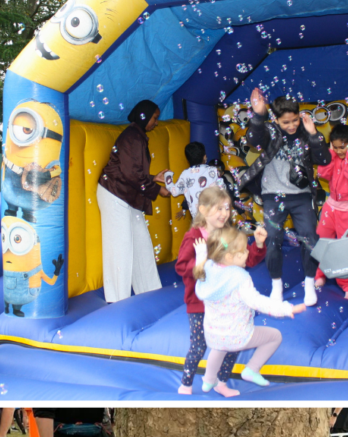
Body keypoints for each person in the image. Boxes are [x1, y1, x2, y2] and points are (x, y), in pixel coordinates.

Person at [237, 88, 331, 306]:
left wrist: (314, 134)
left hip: (301, 196)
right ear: (276, 120)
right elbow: (253, 138)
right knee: (272, 240)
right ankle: (276, 286)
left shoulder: (306, 131)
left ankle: (309, 283)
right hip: (273, 195)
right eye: (286, 122)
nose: (291, 126)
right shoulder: (269, 131)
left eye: (295, 120)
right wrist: (259, 114)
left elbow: (324, 160)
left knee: (309, 238)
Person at [175, 185, 267, 396]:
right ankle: (186, 384)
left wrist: (259, 245)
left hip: (228, 304)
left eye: (227, 208)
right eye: (219, 208)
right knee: (199, 345)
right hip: (201, 303)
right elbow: (181, 266)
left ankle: (221, 382)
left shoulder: (229, 235)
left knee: (232, 344)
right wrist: (202, 263)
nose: (225, 213)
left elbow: (247, 259)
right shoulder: (194, 237)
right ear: (203, 210)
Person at [192, 227, 303, 390]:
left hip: (214, 334)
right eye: (243, 251)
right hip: (238, 335)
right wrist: (286, 309)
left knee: (219, 348)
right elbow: (257, 301)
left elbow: (201, 264)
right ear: (229, 257)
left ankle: (208, 380)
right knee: (275, 336)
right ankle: (252, 369)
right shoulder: (240, 277)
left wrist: (201, 253)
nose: (246, 253)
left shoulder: (207, 268)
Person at [96, 99, 170, 303]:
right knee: (120, 247)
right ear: (144, 116)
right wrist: (157, 189)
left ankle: (150, 293)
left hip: (129, 196)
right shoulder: (132, 137)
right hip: (115, 195)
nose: (157, 122)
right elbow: (130, 174)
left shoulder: (138, 137)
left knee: (142, 244)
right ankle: (117, 300)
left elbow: (132, 171)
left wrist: (153, 178)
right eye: (155, 118)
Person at [313, 123, 348, 299]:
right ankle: (321, 273)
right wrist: (330, 154)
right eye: (335, 147)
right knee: (323, 241)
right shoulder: (334, 155)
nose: (339, 151)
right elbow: (323, 173)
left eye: (342, 147)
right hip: (331, 207)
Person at [164, 142, 225, 218]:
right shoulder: (213, 170)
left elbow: (174, 192)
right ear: (205, 157)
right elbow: (223, 189)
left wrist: (167, 176)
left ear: (187, 160)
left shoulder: (185, 174)